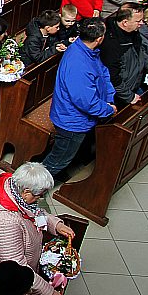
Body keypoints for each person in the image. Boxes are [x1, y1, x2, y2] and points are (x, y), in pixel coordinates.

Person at [0, 162, 74, 295]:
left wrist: (55, 224)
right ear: (26, 192)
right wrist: (48, 293)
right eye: (39, 195)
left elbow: (33, 212)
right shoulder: (5, 223)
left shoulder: (12, 188)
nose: (40, 198)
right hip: (1, 281)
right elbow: (18, 269)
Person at [42, 18, 115, 179]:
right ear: (99, 39)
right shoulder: (78, 63)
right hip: (72, 121)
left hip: (78, 117)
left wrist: (109, 97)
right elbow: (85, 101)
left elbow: (102, 73)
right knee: (57, 160)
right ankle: (31, 187)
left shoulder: (86, 50)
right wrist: (108, 109)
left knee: (63, 154)